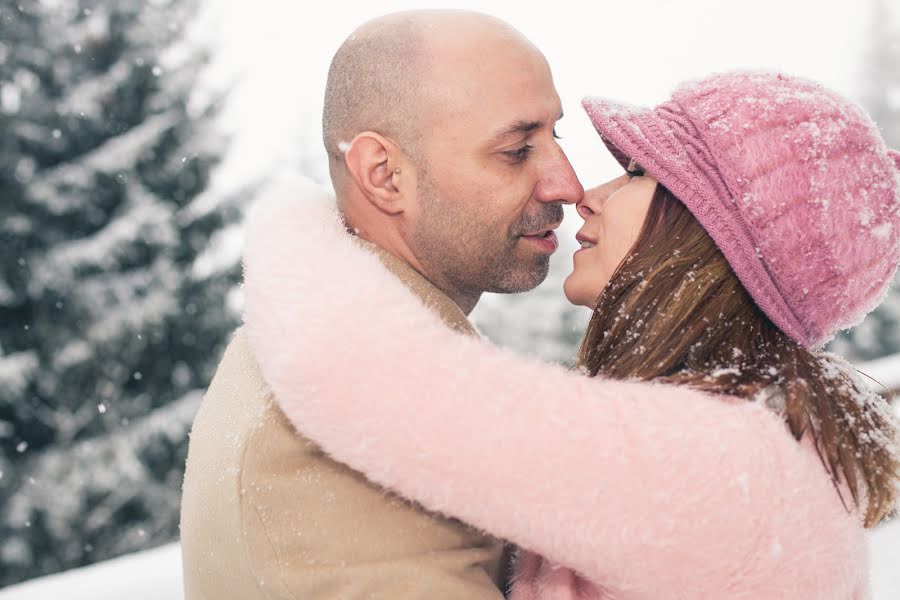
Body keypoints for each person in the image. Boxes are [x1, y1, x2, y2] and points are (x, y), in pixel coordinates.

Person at [241, 71, 900, 598]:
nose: (588, 192)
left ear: (717, 242)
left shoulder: (715, 464)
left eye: (642, 174)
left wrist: (290, 215)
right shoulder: (760, 447)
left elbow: (364, 380)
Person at [178, 9, 582, 599]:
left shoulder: (358, 370)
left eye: (556, 137)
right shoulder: (332, 428)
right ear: (385, 175)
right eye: (518, 150)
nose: (565, 183)